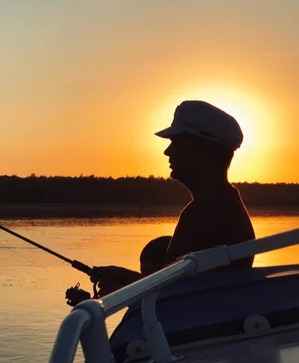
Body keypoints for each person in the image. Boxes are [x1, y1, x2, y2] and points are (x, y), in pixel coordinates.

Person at [93, 100, 256, 296]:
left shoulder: (205, 213)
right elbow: (181, 289)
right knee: (157, 249)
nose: (167, 151)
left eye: (176, 143)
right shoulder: (222, 205)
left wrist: (118, 292)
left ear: (205, 149)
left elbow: (174, 299)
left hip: (191, 319)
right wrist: (125, 279)